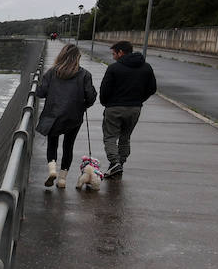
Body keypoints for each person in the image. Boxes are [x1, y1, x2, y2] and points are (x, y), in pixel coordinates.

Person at [35, 42, 97, 188]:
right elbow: (91, 97)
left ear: (61, 55)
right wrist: (83, 105)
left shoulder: (52, 72)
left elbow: (41, 93)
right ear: (77, 58)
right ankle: (62, 180)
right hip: (74, 116)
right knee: (68, 146)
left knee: (52, 143)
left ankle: (52, 170)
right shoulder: (85, 74)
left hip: (53, 115)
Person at [98, 40, 157, 178]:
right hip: (135, 108)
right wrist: (139, 100)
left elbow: (104, 90)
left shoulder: (114, 68)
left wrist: (106, 103)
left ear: (121, 52)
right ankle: (120, 164)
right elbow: (152, 88)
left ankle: (114, 163)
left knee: (110, 137)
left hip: (114, 108)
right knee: (125, 137)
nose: (113, 57)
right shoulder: (146, 67)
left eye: (114, 54)